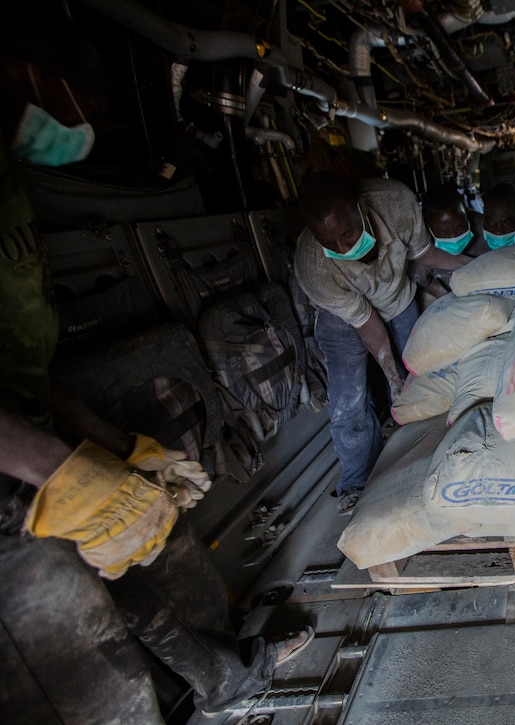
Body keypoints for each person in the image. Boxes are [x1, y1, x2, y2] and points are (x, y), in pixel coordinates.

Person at [0, 9, 312, 721]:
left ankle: (229, 676)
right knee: (93, 678)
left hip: (38, 445)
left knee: (167, 563)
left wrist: (115, 451)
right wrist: (61, 470)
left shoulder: (9, 183)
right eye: (87, 95)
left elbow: (20, 361)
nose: (92, 116)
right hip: (13, 490)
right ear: (29, 69)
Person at [295, 171, 468, 513]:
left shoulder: (396, 203)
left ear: (360, 209)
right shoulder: (312, 266)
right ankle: (357, 482)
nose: (344, 248)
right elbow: (365, 322)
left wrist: (474, 266)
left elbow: (425, 253)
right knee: (348, 400)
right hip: (344, 320)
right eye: (332, 244)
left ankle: (425, 459)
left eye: (348, 234)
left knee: (419, 379)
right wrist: (389, 369)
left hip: (397, 298)